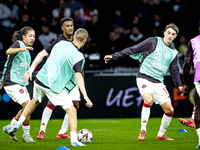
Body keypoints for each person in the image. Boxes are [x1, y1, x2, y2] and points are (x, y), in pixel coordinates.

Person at [8, 28, 93, 147]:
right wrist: (85, 96)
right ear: (85, 40)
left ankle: (17, 125)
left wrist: (31, 70)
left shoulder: (60, 42)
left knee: (34, 101)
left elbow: (42, 54)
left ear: (73, 37)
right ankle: (74, 140)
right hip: (53, 86)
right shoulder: (79, 56)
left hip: (40, 79)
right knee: (72, 110)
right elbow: (78, 75)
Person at [104, 23, 186, 141]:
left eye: (173, 34)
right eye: (168, 33)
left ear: (175, 36)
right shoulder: (153, 42)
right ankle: (143, 130)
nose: (170, 35)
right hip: (144, 77)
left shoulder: (173, 53)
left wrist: (178, 84)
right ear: (164, 32)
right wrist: (114, 56)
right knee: (148, 99)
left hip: (158, 82)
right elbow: (134, 49)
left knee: (170, 110)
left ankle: (161, 135)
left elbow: (174, 70)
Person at [36, 17, 80, 140]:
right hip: (60, 77)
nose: (70, 28)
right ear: (62, 28)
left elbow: (79, 61)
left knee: (76, 105)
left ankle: (61, 132)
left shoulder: (77, 42)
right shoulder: (57, 41)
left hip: (72, 78)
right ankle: (42, 131)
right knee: (52, 102)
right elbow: (50, 57)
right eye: (67, 26)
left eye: (71, 25)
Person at [0, 26, 36, 142]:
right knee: (27, 106)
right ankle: (26, 135)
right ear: (23, 36)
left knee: (28, 107)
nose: (32, 38)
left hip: (21, 83)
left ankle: (11, 125)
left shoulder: (28, 52)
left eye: (34, 36)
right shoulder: (18, 44)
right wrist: (1, 80)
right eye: (30, 36)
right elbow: (7, 52)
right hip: (11, 82)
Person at [182, 20, 200, 148]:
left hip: (199, 78)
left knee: (199, 107)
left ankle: (193, 117)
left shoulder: (193, 41)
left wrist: (185, 82)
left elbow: (187, 63)